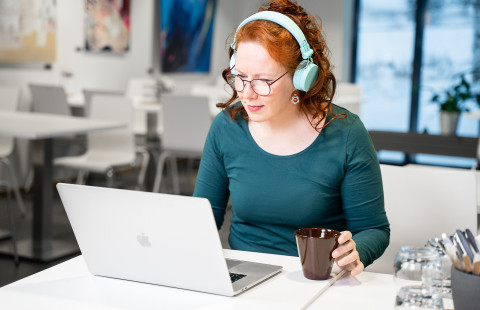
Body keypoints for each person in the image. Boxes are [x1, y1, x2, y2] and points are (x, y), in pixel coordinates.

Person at [193, 0, 389, 276]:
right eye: (240, 77)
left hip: (317, 278)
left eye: (263, 80)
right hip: (243, 277)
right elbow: (201, 220)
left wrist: (357, 250)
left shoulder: (348, 135)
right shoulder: (227, 127)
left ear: (301, 78)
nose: (246, 93)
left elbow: (374, 229)